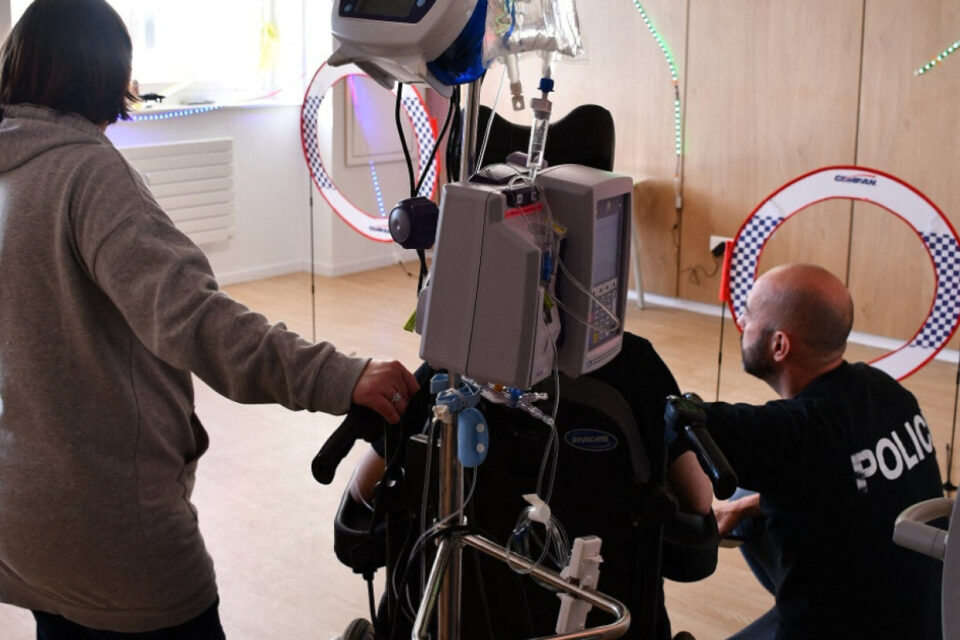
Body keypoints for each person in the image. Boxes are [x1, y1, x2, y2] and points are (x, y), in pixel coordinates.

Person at [0, 1, 419, 637]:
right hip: (111, 533)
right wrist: (337, 375)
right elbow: (195, 318)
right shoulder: (88, 174)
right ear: (104, 73)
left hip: (22, 525)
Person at [701, 263, 943, 639]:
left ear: (779, 345)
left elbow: (669, 417)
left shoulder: (791, 435)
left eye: (747, 315)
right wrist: (741, 508)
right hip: (925, 614)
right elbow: (838, 477)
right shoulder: (888, 392)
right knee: (745, 501)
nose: (741, 323)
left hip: (852, 629)